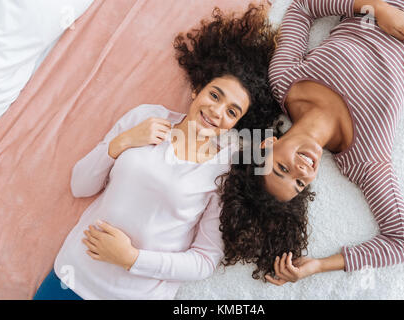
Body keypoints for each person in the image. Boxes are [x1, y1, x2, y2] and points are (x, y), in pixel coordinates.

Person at [33, 4, 280, 300]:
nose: (216, 112)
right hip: (72, 277)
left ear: (238, 124)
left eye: (232, 111)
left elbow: (204, 261)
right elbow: (80, 185)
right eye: (214, 95)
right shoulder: (145, 117)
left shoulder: (228, 167)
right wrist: (122, 142)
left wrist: (131, 258)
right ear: (197, 89)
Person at [218, 0, 404, 284]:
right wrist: (318, 266)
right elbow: (403, 243)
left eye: (282, 169)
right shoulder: (364, 157)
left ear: (266, 146)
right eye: (300, 183)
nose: (301, 170)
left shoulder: (285, 81)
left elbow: (302, 7)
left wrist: (378, 10)